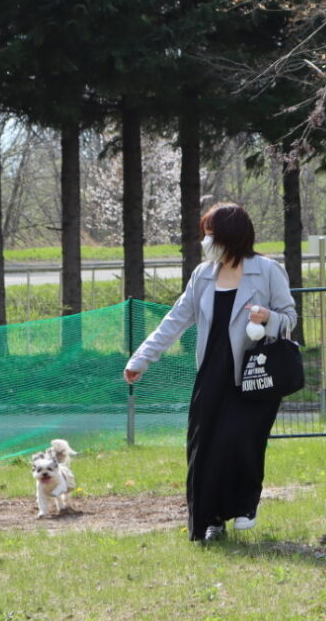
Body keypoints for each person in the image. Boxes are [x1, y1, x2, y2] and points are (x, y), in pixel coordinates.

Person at [123, 202, 297, 542]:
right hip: (211, 374)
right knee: (203, 449)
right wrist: (141, 359)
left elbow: (289, 319)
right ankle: (210, 520)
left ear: (231, 235)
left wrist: (268, 318)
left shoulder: (267, 270)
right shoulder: (202, 275)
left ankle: (245, 506)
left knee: (240, 442)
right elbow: (175, 320)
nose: (206, 241)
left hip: (254, 375)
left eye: (212, 234)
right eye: (205, 234)